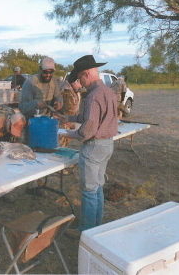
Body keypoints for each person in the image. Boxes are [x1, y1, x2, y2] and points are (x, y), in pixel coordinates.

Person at [55, 55, 118, 232]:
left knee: (89, 192)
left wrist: (69, 133)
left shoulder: (93, 96)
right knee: (97, 188)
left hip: (94, 147)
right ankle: (96, 229)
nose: (79, 82)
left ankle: (86, 232)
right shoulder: (108, 92)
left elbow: (87, 130)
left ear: (86, 74)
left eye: (80, 77)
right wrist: (67, 118)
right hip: (107, 145)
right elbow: (88, 118)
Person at [19, 57, 63, 144]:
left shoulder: (54, 81)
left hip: (47, 122)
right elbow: (22, 106)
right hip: (32, 124)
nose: (48, 75)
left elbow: (59, 97)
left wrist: (59, 103)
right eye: (45, 72)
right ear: (40, 70)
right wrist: (35, 104)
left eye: (51, 72)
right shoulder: (30, 82)